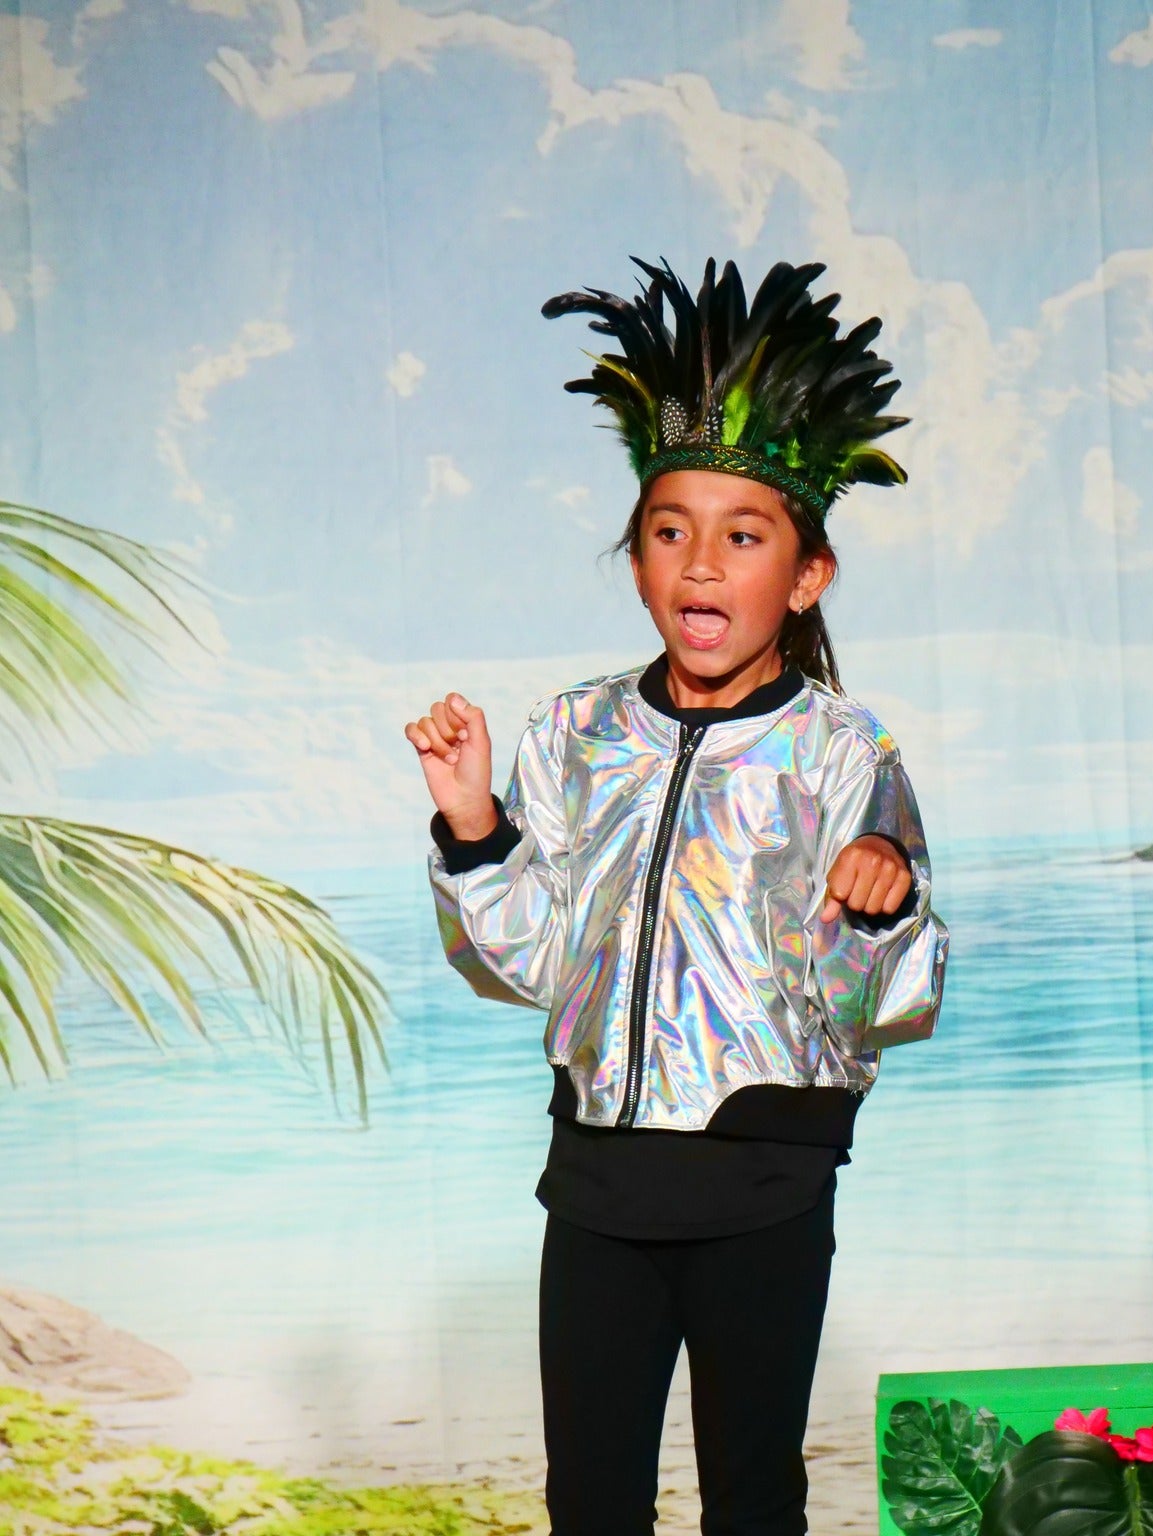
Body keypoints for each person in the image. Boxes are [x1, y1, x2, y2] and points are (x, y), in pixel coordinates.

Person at [404, 257, 948, 1536]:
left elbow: (882, 1008)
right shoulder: (573, 732)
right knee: (589, 1499)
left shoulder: (842, 752)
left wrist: (881, 914)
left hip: (762, 1180)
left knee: (752, 1496)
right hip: (592, 1182)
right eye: (669, 531)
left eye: (742, 536)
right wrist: (476, 823)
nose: (701, 564)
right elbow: (527, 962)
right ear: (637, 557)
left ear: (805, 575)